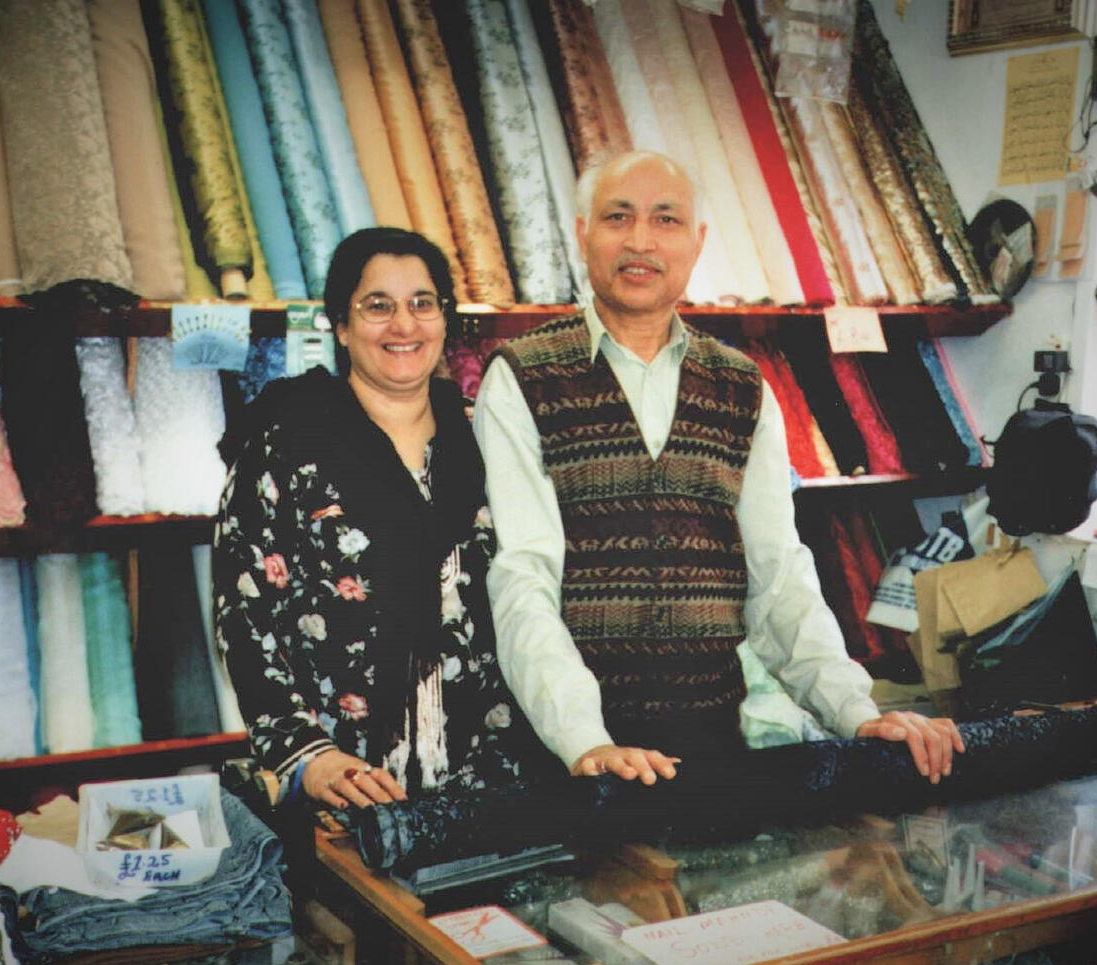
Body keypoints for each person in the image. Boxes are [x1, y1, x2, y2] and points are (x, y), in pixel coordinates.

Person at [473, 151, 964, 787]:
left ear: (697, 241)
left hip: (708, 745)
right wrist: (584, 740)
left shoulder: (742, 387)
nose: (641, 240)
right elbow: (522, 576)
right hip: (562, 756)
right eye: (618, 217)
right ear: (582, 233)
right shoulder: (521, 378)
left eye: (666, 219)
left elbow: (777, 573)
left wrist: (854, 712)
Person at [214, 227, 541, 811]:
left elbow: (538, 587)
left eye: (422, 303)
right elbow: (246, 613)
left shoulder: (488, 435)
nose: (404, 326)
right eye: (377, 307)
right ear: (340, 324)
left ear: (446, 318)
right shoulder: (286, 447)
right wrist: (309, 755)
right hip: (350, 783)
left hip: (495, 776)